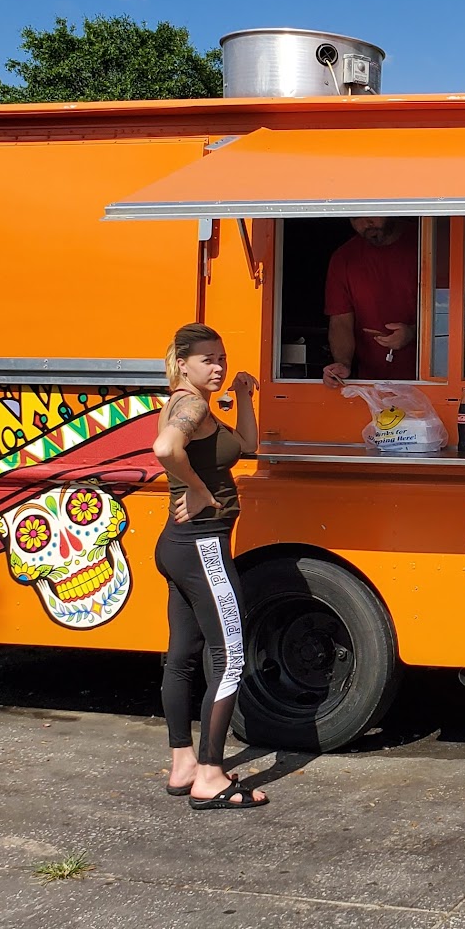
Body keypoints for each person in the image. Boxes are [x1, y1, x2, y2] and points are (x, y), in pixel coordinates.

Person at [152, 323, 267, 810]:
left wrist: (242, 395)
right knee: (230, 657)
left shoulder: (194, 402)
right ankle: (211, 776)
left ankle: (183, 765)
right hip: (201, 545)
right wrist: (199, 492)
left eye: (221, 357)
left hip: (179, 545)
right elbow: (165, 450)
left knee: (182, 654)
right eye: (207, 359)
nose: (218, 366)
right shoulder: (191, 405)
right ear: (183, 363)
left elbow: (248, 445)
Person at [320, 217, 419, 386]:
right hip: (371, 383)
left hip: (435, 382)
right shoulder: (343, 258)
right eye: (356, 217)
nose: (366, 223)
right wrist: (342, 364)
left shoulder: (427, 240)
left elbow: (451, 309)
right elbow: (340, 321)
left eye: (372, 212)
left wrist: (413, 332)